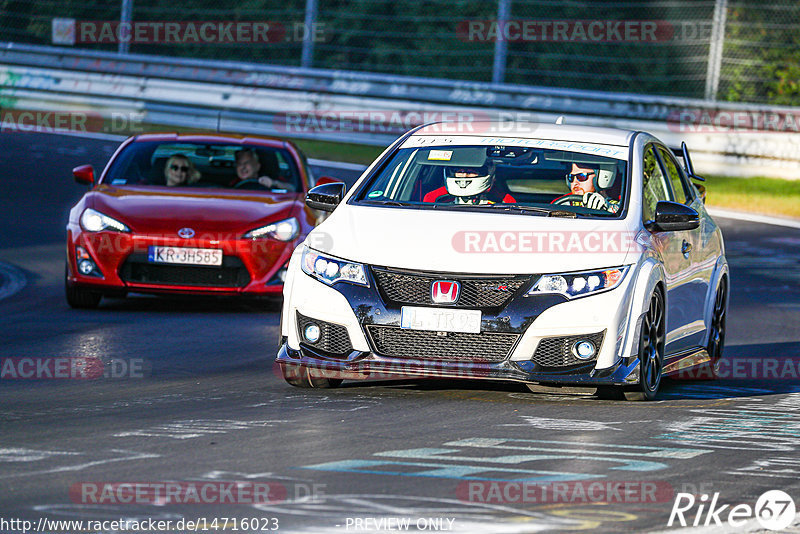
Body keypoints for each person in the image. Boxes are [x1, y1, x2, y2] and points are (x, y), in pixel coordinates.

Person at [423, 160, 515, 204]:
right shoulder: (434, 198)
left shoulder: (504, 200)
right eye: (460, 172)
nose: (464, 176)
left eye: (471, 172)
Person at [552, 162, 620, 213]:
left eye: (581, 176)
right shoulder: (561, 203)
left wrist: (606, 209)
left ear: (601, 177)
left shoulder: (621, 207)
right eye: (571, 177)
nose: (575, 183)